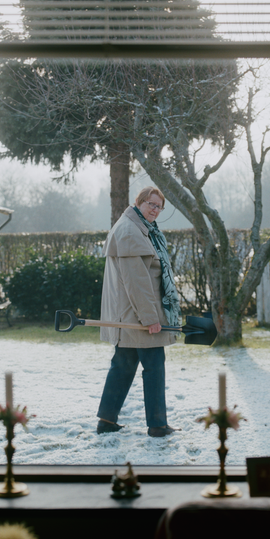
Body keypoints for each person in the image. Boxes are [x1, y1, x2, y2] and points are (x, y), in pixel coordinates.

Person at [96, 186, 181, 437]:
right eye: (151, 204)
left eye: (159, 207)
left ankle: (106, 421)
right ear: (140, 202)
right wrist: (150, 319)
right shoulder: (131, 231)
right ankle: (157, 425)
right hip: (138, 315)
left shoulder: (138, 227)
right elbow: (137, 282)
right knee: (154, 366)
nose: (155, 210)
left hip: (129, 315)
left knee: (122, 365)